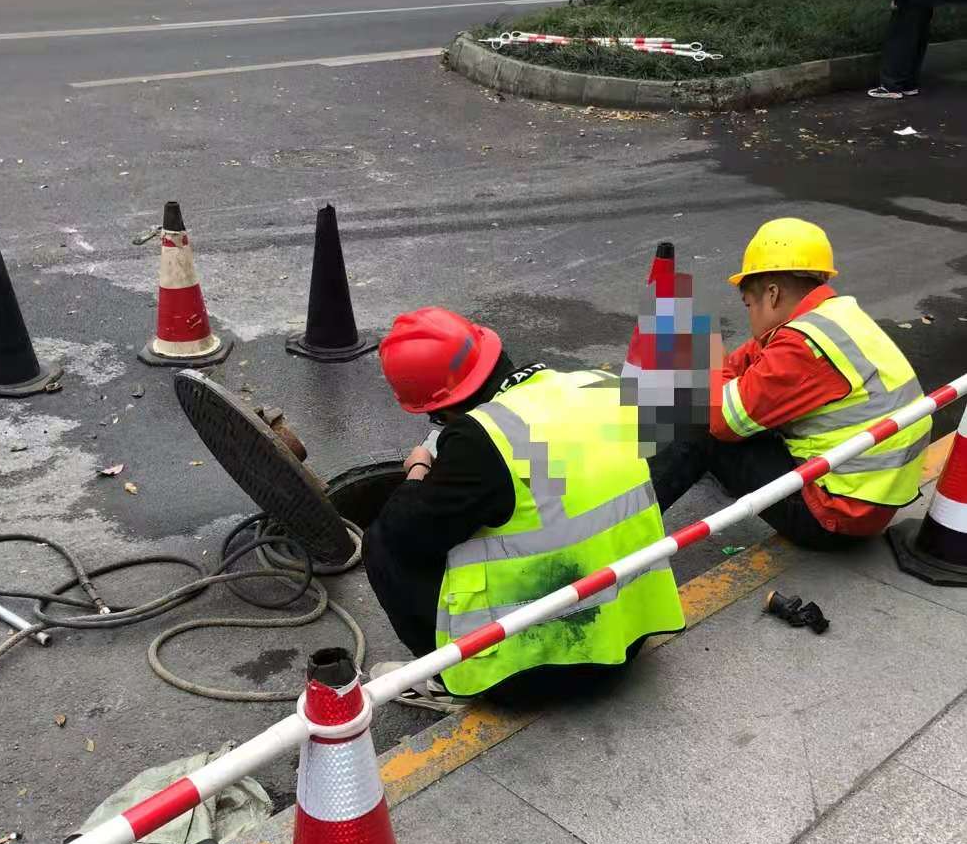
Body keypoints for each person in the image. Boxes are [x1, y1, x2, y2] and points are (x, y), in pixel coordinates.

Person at [363, 307, 684, 704]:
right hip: (626, 636)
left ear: (441, 406)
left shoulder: (481, 439)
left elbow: (405, 532)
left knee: (380, 541)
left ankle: (446, 678)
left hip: (537, 669)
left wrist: (418, 467)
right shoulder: (599, 385)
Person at [647, 218, 931, 549]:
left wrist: (709, 359)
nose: (749, 315)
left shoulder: (802, 346)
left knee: (703, 424)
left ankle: (619, 528)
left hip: (833, 515)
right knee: (737, 404)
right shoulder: (832, 319)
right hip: (868, 499)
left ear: (772, 293)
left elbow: (722, 421)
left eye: (748, 305)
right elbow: (750, 365)